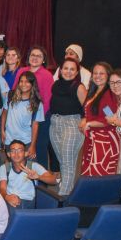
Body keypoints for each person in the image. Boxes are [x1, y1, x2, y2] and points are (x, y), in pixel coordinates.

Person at [49, 58, 88, 195]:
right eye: (66, 68)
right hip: (55, 123)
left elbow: (87, 108)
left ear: (77, 71)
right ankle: (69, 191)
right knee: (63, 161)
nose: (68, 72)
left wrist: (84, 120)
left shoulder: (79, 87)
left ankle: (63, 196)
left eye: (72, 69)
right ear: (60, 70)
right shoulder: (56, 85)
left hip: (72, 124)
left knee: (67, 162)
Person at [13, 46, 54, 168]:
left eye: (39, 56)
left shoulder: (47, 75)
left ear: (43, 60)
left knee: (39, 149)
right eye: (32, 55)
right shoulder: (21, 71)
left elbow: (47, 100)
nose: (35, 58)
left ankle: (41, 182)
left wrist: (35, 117)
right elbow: (15, 91)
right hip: (22, 116)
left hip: (40, 117)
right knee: (21, 148)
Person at [79, 62, 120, 176]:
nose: (97, 76)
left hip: (104, 141)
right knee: (90, 172)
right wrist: (85, 119)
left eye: (101, 73)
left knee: (100, 173)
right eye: (95, 73)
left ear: (108, 76)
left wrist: (90, 123)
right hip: (93, 138)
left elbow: (109, 119)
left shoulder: (107, 94)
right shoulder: (94, 91)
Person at [1, 71, 44, 163]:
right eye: (21, 81)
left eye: (27, 82)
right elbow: (4, 113)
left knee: (30, 168)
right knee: (13, 166)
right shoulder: (10, 96)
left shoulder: (37, 103)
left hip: (26, 140)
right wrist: (2, 131)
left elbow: (35, 125)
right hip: (10, 138)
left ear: (32, 84)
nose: (23, 84)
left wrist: (33, 145)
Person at [0, 140, 56, 209]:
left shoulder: (33, 166)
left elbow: (54, 180)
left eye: (20, 150)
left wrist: (39, 177)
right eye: (13, 151)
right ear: (8, 154)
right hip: (10, 199)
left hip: (28, 200)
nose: (16, 154)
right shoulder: (5, 167)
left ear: (26, 153)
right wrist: (7, 197)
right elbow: (2, 188)